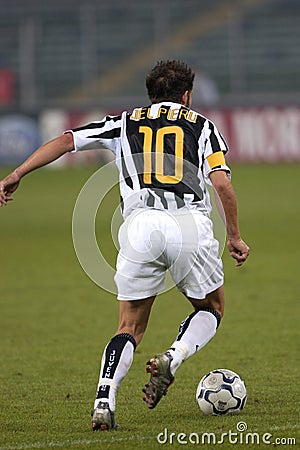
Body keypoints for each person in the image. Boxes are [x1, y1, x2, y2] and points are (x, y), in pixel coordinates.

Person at [0, 60, 249, 431]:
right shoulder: (203, 126)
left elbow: (67, 141)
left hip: (138, 228)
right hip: (188, 225)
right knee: (211, 308)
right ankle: (174, 356)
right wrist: (233, 236)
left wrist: (18, 172)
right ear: (187, 95)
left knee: (129, 326)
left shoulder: (125, 122)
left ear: (150, 94)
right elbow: (223, 185)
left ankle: (104, 398)